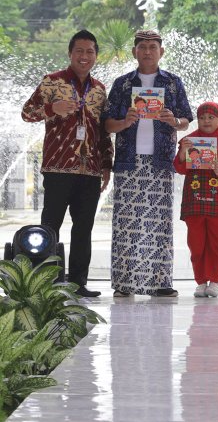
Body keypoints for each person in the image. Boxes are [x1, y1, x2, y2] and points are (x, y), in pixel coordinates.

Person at [21, 30, 114, 298]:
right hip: (58, 167)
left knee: (84, 228)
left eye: (90, 52)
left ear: (96, 55)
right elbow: (27, 113)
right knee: (50, 225)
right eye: (79, 51)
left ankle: (78, 283)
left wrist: (107, 164)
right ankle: (46, 282)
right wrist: (52, 109)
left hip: (90, 169)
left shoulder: (99, 90)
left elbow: (103, 130)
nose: (84, 57)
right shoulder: (52, 82)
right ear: (70, 53)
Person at [103, 30, 192, 297]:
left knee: (160, 223)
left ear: (161, 52)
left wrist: (172, 121)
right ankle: (124, 283)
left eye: (153, 47)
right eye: (142, 47)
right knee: (126, 223)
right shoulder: (122, 84)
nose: (148, 51)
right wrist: (125, 122)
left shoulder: (173, 83)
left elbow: (187, 118)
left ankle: (160, 282)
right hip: (129, 162)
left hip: (160, 162)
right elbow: (107, 124)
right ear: (134, 52)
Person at [174, 102, 218, 298]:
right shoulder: (189, 141)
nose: (206, 121)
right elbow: (180, 168)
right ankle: (201, 282)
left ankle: (215, 282)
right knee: (196, 244)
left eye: (211, 117)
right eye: (202, 118)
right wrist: (184, 152)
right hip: (194, 200)